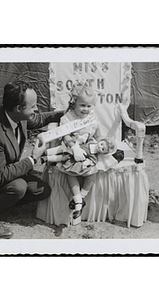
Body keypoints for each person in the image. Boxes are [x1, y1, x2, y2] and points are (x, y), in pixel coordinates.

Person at [0, 81, 63, 238]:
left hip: (4, 170)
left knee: (42, 190)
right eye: (33, 106)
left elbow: (38, 120)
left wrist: (65, 113)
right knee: (18, 187)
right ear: (19, 108)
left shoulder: (15, 114)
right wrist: (33, 158)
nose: (36, 109)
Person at [54, 81, 105, 220]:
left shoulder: (92, 118)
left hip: (89, 149)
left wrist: (102, 142)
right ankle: (76, 199)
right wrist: (74, 147)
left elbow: (97, 134)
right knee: (71, 172)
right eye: (82, 105)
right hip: (73, 148)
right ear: (74, 103)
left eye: (89, 106)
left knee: (92, 173)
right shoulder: (68, 118)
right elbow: (65, 135)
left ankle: (81, 198)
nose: (86, 109)